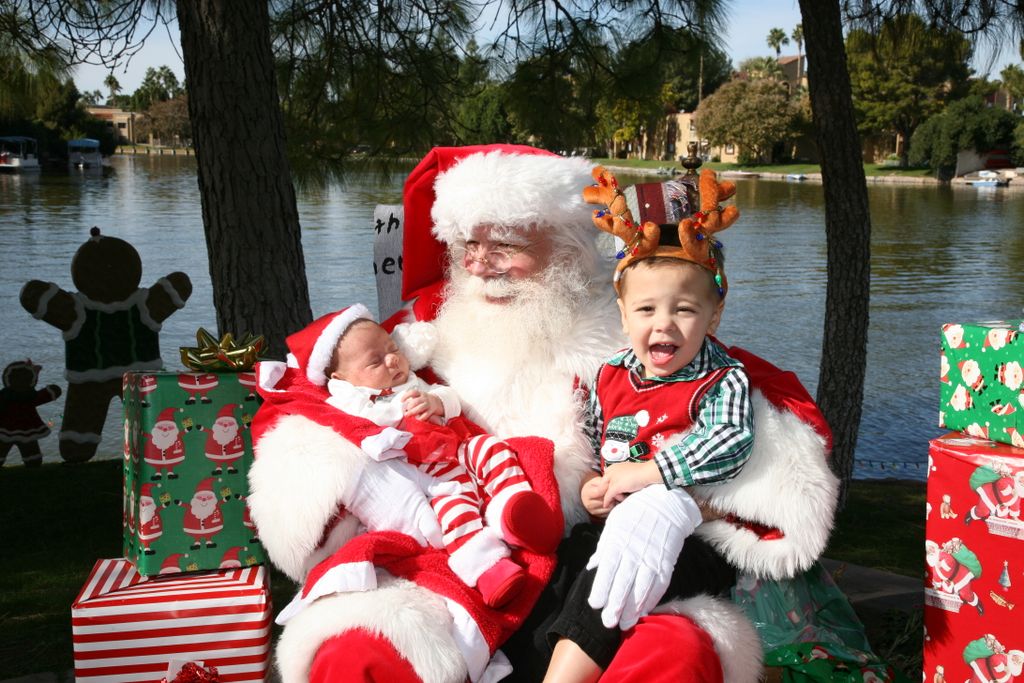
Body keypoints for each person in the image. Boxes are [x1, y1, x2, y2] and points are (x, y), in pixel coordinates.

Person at [248, 145, 838, 683]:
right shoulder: (414, 343)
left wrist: (674, 502)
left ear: (570, 246)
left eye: (504, 243)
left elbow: (752, 446)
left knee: (677, 652)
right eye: (467, 245)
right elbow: (310, 414)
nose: (478, 265)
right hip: (446, 570)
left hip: (586, 573)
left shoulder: (637, 336)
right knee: (359, 651)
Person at [542, 168, 753, 682]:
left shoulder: (722, 379)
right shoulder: (610, 374)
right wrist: (594, 484)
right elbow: (594, 441)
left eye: (684, 310)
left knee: (606, 584)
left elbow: (729, 442)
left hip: (693, 539)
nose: (663, 324)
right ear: (623, 313)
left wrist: (649, 474)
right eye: (646, 309)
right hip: (614, 525)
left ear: (714, 316)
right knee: (563, 570)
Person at [292, 301, 562, 608]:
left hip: (459, 446)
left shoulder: (412, 381)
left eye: (392, 347)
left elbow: (450, 398)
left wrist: (436, 403)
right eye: (375, 362)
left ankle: (513, 508)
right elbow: (363, 433)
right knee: (455, 507)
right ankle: (487, 569)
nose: (393, 360)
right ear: (342, 381)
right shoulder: (355, 404)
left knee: (492, 448)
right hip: (432, 475)